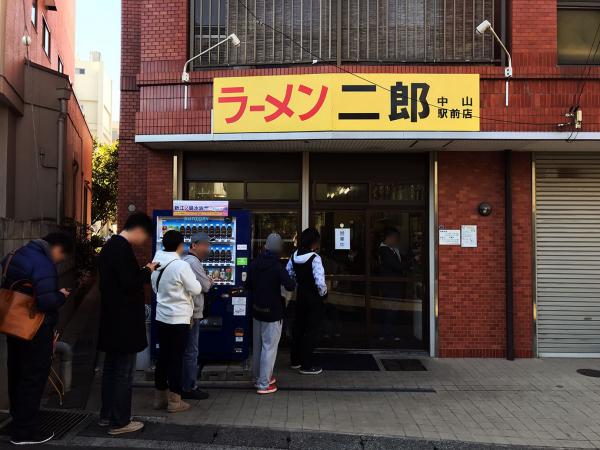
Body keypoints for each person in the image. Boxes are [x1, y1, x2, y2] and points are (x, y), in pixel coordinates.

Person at [1, 232, 74, 445]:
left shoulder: (17, 254)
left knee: (16, 373)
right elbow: (45, 301)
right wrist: (61, 294)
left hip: (13, 323)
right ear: (57, 248)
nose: (59, 261)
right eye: (62, 256)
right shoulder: (43, 263)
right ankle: (25, 432)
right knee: (33, 377)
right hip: (34, 327)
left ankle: (18, 421)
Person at [97, 212, 157, 436]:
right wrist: (146, 272)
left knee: (111, 370)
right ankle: (120, 421)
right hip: (124, 324)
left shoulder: (110, 247)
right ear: (139, 230)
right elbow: (130, 283)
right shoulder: (121, 249)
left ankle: (107, 415)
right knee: (123, 373)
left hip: (112, 321)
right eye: (145, 237)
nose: (144, 242)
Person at [151, 230, 203, 413]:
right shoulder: (181, 266)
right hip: (179, 318)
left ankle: (159, 399)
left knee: (162, 358)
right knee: (176, 359)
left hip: (161, 317)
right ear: (180, 245)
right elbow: (196, 289)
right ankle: (175, 401)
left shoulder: (156, 261)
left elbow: (153, 287)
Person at [245, 233, 295, 394]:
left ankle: (258, 378)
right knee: (269, 347)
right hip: (273, 312)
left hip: (256, 310)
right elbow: (290, 286)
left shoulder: (254, 263)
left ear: (265, 246)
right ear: (279, 248)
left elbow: (248, 285)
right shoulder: (277, 266)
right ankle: (264, 384)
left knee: (258, 346)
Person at [286, 228, 327, 375]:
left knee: (298, 328)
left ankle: (295, 361)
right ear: (314, 242)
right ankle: (307, 365)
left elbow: (289, 274)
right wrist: (323, 293)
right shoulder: (315, 258)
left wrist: (297, 285)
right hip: (313, 298)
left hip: (300, 296)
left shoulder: (294, 256)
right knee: (311, 330)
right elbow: (320, 282)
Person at [181, 232, 213, 400]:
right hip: (192, 314)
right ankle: (189, 386)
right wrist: (208, 281)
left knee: (188, 350)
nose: (208, 248)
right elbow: (206, 286)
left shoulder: (190, 261)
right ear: (194, 245)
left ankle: (184, 384)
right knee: (191, 351)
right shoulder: (193, 262)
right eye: (205, 245)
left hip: (189, 313)